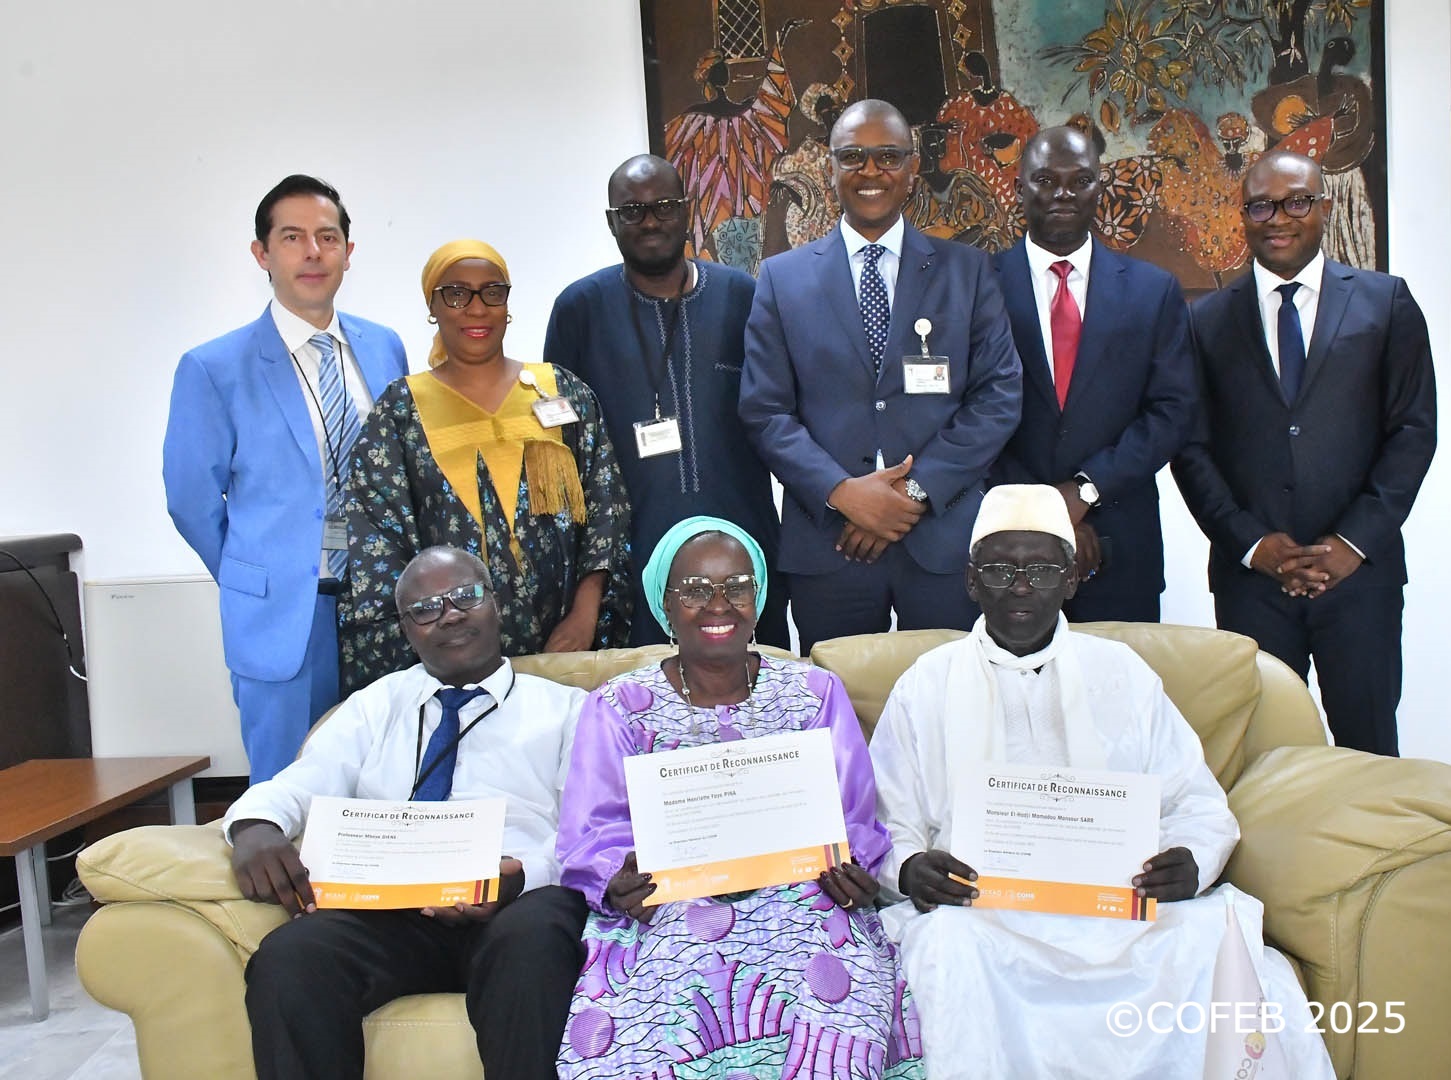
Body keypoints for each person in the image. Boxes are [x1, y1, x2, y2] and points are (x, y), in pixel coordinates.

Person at [867, 485, 1334, 1078]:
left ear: (1070, 579)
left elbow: (1195, 801)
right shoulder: (926, 683)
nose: (1018, 585)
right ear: (970, 581)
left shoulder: (1124, 674)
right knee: (942, 949)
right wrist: (909, 868)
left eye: (1039, 568)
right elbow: (888, 820)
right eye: (998, 568)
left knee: (1210, 937)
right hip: (984, 916)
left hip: (1116, 912)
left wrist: (1191, 858)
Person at [554, 517, 926, 1078]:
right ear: (665, 601)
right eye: (695, 589)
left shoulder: (812, 691)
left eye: (736, 585)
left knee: (825, 997)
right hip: (673, 904)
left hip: (804, 897)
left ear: (757, 600)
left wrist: (855, 866)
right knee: (670, 995)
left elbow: (854, 812)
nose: (718, 604)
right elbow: (592, 831)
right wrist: (615, 876)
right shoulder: (618, 705)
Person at [224, 545, 589, 1080]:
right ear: (406, 629)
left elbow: (586, 833)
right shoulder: (376, 705)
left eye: (465, 596)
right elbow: (304, 782)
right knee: (290, 958)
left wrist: (517, 877)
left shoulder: (567, 709)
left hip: (514, 907)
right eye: (426, 608)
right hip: (390, 913)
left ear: (495, 604)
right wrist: (254, 826)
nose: (450, 615)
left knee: (537, 936)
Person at [1173, 150, 1436, 755]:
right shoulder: (1206, 320)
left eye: (1296, 201)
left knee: (1368, 749)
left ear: (1323, 206)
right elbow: (1190, 447)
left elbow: (1413, 431)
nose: (1278, 218)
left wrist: (1351, 544)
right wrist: (1250, 544)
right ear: (1243, 216)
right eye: (1261, 205)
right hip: (1252, 583)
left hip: (1360, 578)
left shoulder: (1385, 302)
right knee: (1263, 757)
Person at [740, 98, 1022, 654]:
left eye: (888, 156)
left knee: (949, 711)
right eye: (853, 157)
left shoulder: (967, 271)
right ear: (832, 168)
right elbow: (765, 411)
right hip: (829, 547)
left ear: (913, 169)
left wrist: (911, 494)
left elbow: (998, 396)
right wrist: (843, 493)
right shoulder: (781, 279)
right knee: (843, 711)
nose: (871, 172)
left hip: (942, 544)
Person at [163, 174, 407, 783]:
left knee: (388, 781)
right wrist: (254, 574)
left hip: (384, 608)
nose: (312, 252)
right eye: (292, 237)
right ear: (262, 254)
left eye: (328, 237)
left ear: (349, 254)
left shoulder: (384, 348)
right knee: (287, 794)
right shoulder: (214, 367)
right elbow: (192, 500)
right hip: (284, 617)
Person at [340, 239, 631, 692]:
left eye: (492, 292)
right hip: (453, 659)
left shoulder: (561, 392)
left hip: (565, 648)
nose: (476, 308)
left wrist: (585, 613)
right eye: (456, 293)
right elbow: (378, 542)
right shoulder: (402, 411)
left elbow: (607, 507)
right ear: (433, 306)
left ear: (507, 303)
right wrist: (432, 636)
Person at [544, 154, 789, 648]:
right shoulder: (580, 309)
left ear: (687, 210)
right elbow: (563, 451)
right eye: (632, 211)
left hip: (744, 540)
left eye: (664, 206)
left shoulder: (741, 295)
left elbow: (779, 411)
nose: (650, 221)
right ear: (612, 223)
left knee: (758, 689)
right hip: (631, 553)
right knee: (647, 701)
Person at [991, 126, 1197, 621]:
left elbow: (1171, 411)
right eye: (1045, 179)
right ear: (1019, 189)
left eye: (1080, 180)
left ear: (1099, 188)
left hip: (1121, 546)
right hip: (1004, 548)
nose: (1063, 193)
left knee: (1118, 695)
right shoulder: (980, 285)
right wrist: (1043, 510)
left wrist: (1085, 490)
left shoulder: (1153, 291)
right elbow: (967, 409)